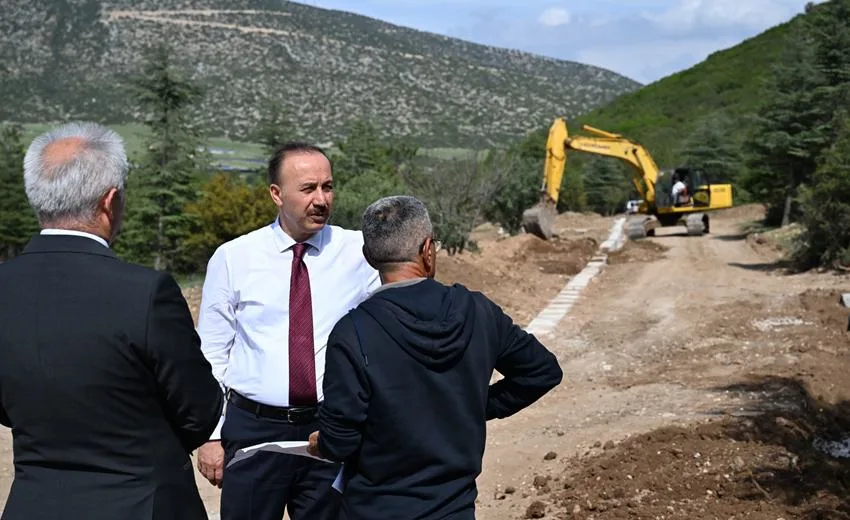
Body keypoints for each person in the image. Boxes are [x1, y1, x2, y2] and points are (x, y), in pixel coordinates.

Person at [0, 122, 224, 520]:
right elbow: (200, 412)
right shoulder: (145, 292)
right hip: (142, 504)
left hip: (35, 503)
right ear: (111, 200)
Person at [307, 195, 564, 520]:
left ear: (369, 257)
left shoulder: (353, 332)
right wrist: (473, 405)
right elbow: (541, 371)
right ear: (428, 249)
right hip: (454, 508)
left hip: (374, 509)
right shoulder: (477, 311)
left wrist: (322, 444)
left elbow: (341, 441)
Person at [195, 142, 381, 520]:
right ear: (276, 195)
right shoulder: (235, 258)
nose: (321, 199)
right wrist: (211, 435)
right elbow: (211, 353)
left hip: (330, 428)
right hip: (252, 431)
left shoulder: (359, 253)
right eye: (308, 188)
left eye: (327, 187)